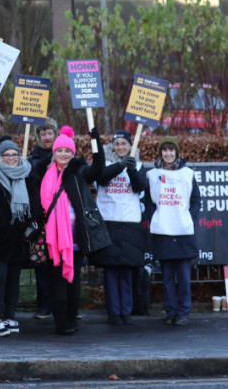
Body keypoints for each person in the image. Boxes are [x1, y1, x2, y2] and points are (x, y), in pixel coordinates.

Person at [30, 125, 104, 335]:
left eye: (68, 151)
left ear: (73, 154)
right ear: (54, 152)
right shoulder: (43, 172)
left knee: (73, 281)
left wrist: (95, 142)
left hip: (75, 237)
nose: (63, 154)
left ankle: (71, 319)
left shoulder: (79, 172)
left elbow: (98, 167)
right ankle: (60, 321)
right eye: (60, 150)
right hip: (51, 238)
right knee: (56, 282)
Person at [92, 130, 147, 326]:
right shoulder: (105, 164)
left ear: (130, 146)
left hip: (130, 223)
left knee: (127, 270)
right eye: (117, 144)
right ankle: (113, 312)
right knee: (110, 271)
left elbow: (140, 187)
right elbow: (102, 178)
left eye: (124, 144)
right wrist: (120, 166)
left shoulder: (139, 165)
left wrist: (131, 169)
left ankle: (127, 311)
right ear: (112, 147)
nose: (121, 147)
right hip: (108, 222)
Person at [0, 140, 36, 337]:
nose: (11, 159)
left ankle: (10, 315)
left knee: (14, 279)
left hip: (20, 237)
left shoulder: (29, 176)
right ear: (0, 157)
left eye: (15, 155)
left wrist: (29, 226)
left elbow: (35, 206)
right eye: (7, 155)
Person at [145, 136, 200, 326]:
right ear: (160, 153)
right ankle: (170, 311)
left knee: (184, 277)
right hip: (163, 232)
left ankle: (183, 311)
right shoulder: (152, 175)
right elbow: (148, 202)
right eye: (164, 150)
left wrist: (189, 218)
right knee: (167, 278)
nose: (168, 154)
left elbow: (196, 201)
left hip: (183, 232)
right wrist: (155, 217)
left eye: (171, 150)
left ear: (177, 152)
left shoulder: (188, 174)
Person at [27, 117, 59, 320]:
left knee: (60, 261)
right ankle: (44, 305)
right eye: (43, 133)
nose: (47, 137)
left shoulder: (65, 155)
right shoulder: (33, 160)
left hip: (62, 217)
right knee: (42, 262)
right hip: (42, 217)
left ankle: (60, 303)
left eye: (50, 133)